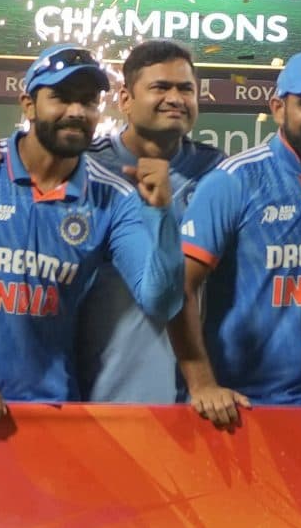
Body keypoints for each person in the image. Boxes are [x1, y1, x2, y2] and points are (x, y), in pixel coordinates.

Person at [0, 46, 184, 424]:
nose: (76, 111)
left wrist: (162, 218)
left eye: (88, 101)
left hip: (54, 416)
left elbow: (160, 302)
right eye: (60, 97)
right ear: (28, 104)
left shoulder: (113, 195)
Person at [172, 50, 301, 425]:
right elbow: (177, 289)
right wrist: (203, 385)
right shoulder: (235, 181)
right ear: (277, 108)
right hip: (233, 409)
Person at [75, 39, 222, 405]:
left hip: (193, 400)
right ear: (125, 99)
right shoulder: (85, 168)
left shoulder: (216, 172)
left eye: (186, 89)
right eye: (160, 87)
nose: (175, 98)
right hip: (96, 396)